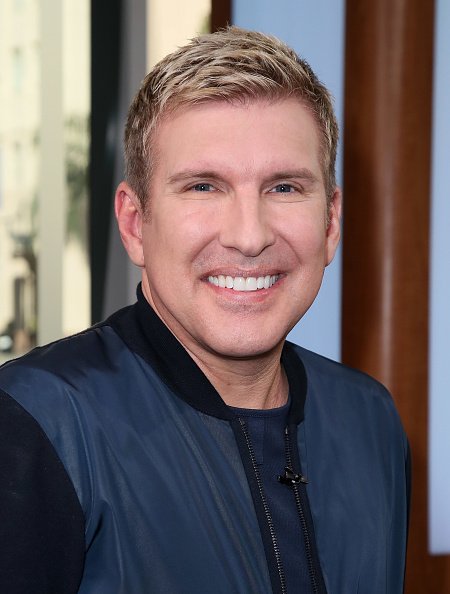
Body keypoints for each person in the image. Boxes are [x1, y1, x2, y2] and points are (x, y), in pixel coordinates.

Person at [0, 27, 409, 594]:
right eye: (203, 187)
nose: (249, 236)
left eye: (284, 188)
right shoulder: (34, 423)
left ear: (331, 221)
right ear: (135, 223)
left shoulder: (370, 419)